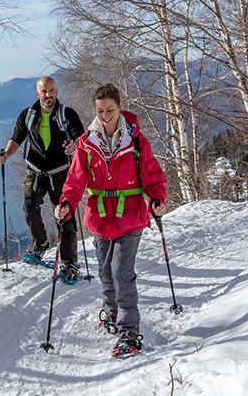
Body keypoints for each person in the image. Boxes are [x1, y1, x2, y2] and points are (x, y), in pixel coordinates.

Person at [55, 83, 167, 357]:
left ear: (120, 108)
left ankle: (130, 331)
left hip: (130, 216)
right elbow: (75, 180)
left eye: (110, 110)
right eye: (100, 110)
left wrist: (157, 198)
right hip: (100, 216)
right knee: (105, 272)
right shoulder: (87, 143)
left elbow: (153, 175)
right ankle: (111, 310)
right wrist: (67, 203)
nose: (105, 115)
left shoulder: (136, 141)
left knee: (121, 273)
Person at [0, 76, 85, 282]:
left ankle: (69, 262)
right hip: (35, 170)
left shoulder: (67, 114)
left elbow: (81, 137)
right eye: (45, 91)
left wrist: (75, 145)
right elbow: (16, 137)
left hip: (61, 172)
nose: (49, 95)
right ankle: (40, 244)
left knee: (65, 216)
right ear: (38, 94)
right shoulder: (27, 115)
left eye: (52, 90)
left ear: (56, 92)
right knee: (29, 207)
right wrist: (5, 155)